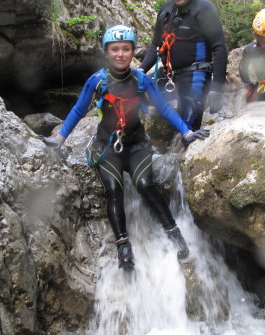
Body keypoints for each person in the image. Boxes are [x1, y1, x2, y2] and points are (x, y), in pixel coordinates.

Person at [42, 25, 210, 270]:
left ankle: (174, 234)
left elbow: (163, 108)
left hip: (136, 145)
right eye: (114, 49)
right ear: (106, 52)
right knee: (113, 189)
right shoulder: (97, 81)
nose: (120, 54)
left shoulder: (141, 80)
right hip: (106, 147)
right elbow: (78, 110)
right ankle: (123, 246)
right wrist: (59, 139)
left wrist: (187, 132)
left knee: (145, 184)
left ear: (133, 52)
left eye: (125, 49)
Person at [138, 0, 227, 131]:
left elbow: (219, 48)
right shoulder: (166, 11)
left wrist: (217, 88)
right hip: (171, 77)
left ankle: (184, 150)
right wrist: (141, 71)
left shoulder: (204, 9)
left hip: (196, 79)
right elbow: (156, 45)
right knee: (132, 94)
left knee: (187, 130)